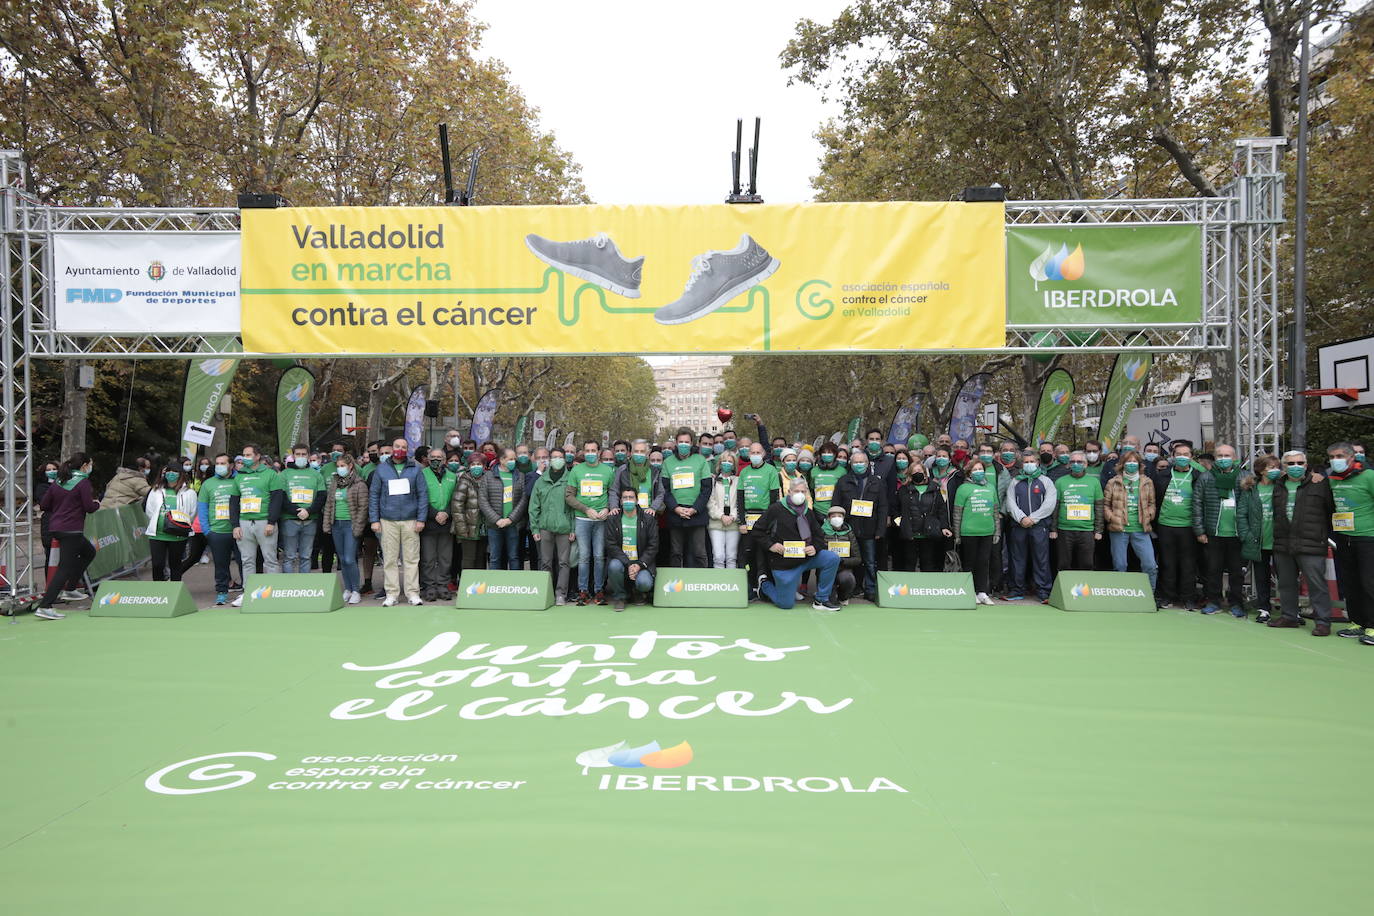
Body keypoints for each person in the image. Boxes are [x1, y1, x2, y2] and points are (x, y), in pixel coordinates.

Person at [1268, 450, 1334, 635]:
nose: (1295, 466)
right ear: (1283, 466)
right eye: (1290, 463)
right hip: (1283, 541)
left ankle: (1322, 621)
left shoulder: (1320, 484)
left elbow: (1331, 510)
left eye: (1299, 463)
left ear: (1306, 465)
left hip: (1311, 542)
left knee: (1317, 584)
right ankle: (1289, 617)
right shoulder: (1278, 485)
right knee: (1286, 583)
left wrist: (1324, 535)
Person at [757, 479, 841, 611]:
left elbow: (819, 535)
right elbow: (757, 530)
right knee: (785, 605)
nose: (800, 494)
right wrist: (771, 545)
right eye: (797, 491)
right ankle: (764, 584)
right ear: (789, 492)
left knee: (832, 558)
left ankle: (822, 599)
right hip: (784, 564)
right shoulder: (776, 509)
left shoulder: (808, 512)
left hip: (805, 559)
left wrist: (815, 547)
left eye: (803, 491)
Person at [34, 453, 101, 618]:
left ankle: (71, 589)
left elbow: (44, 504)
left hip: (57, 527)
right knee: (63, 568)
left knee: (89, 552)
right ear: (84, 465)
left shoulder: (59, 481)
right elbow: (88, 507)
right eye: (90, 464)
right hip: (72, 529)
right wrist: (96, 503)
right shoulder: (83, 482)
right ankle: (45, 605)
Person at [368, 437, 428, 606]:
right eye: (397, 446)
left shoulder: (415, 469)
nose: (400, 449)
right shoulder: (381, 469)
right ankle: (392, 594)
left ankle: (412, 593)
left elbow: (423, 495)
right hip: (387, 520)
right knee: (390, 559)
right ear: (391, 448)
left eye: (403, 447)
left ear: (407, 449)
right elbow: (374, 496)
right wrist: (374, 520)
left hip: (411, 520)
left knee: (411, 559)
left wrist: (421, 519)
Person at [1326, 441, 1374, 644]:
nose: (1335, 460)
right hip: (1344, 537)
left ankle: (1372, 626)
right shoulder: (1332, 479)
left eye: (1339, 456)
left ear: (1351, 457)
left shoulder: (1369, 476)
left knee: (1369, 582)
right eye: (1332, 457)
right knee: (1350, 582)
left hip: (1368, 537)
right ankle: (1357, 621)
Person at [1195, 443, 1249, 617]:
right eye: (1220, 456)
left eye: (1227, 456)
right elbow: (1197, 505)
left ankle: (1236, 603)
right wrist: (1200, 531)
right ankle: (1213, 601)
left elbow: (1253, 506)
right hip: (1213, 533)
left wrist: (1248, 531)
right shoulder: (1206, 477)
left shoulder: (1245, 477)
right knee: (1213, 571)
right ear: (1215, 458)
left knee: (1236, 572)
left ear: (1234, 458)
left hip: (1237, 533)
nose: (1223, 459)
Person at [229, 443, 284, 606]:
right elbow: (233, 502)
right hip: (244, 523)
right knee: (247, 560)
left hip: (264, 522)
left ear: (257, 456)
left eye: (248, 455)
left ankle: (274, 592)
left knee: (270, 559)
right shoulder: (239, 476)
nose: (245, 458)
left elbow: (277, 499)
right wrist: (235, 525)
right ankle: (248, 592)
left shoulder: (270, 474)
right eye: (243, 455)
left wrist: (271, 522)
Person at [565, 439, 616, 605]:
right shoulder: (576, 470)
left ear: (599, 452)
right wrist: (586, 509)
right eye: (587, 450)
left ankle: (599, 591)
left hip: (601, 520)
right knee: (584, 557)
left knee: (599, 556)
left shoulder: (607, 471)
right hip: (582, 520)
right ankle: (583, 591)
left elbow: (613, 493)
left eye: (593, 450)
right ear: (583, 452)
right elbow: (569, 496)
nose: (590, 453)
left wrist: (607, 508)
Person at [833, 447, 887, 600]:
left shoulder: (876, 482)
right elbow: (836, 504)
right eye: (855, 462)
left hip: (870, 528)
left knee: (870, 562)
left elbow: (883, 507)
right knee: (847, 561)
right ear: (851, 463)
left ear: (867, 463)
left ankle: (870, 590)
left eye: (861, 462)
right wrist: (837, 525)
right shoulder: (843, 481)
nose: (858, 464)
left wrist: (880, 530)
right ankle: (849, 589)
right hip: (848, 528)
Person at [1154, 443, 1203, 610]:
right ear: (1173, 457)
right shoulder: (1162, 475)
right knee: (1167, 563)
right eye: (1178, 454)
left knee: (1188, 564)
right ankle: (1167, 596)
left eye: (1186, 454)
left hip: (1189, 526)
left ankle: (1188, 597)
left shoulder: (1198, 476)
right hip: (1165, 525)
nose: (1182, 457)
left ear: (1191, 457)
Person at [1006, 449, 1057, 603]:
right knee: (1017, 559)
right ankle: (1016, 589)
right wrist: (1021, 518)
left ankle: (1043, 591)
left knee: (1041, 559)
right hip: (1019, 526)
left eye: (1032, 462)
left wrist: (1033, 518)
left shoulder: (1046, 481)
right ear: (1022, 464)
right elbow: (1010, 503)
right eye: (1026, 462)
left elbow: (1049, 504)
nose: (1029, 464)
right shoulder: (1015, 481)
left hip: (1039, 526)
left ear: (1038, 463)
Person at [1103, 453, 1159, 592]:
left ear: (1140, 464)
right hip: (1119, 529)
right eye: (1128, 461)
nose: (1132, 464)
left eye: (1135, 461)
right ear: (1122, 464)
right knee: (1120, 565)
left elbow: (1152, 503)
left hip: (1140, 529)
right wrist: (1112, 518)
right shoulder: (1113, 482)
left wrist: (1149, 515)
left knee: (1150, 565)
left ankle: (1150, 594)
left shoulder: (1147, 481)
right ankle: (1121, 593)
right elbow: (1105, 505)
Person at [530, 446, 575, 605]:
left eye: (559, 457)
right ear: (549, 460)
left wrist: (573, 528)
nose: (557, 460)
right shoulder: (541, 481)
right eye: (553, 457)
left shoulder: (570, 479)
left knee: (564, 562)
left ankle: (560, 594)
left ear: (564, 460)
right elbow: (534, 506)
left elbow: (574, 507)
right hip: (545, 528)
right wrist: (535, 528)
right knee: (546, 562)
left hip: (564, 528)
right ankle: (546, 592)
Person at [662, 427, 712, 568]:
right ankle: (676, 585)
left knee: (699, 552)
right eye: (681, 441)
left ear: (692, 443)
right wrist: (676, 508)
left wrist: (695, 509)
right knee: (676, 552)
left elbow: (706, 489)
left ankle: (701, 583)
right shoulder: (668, 462)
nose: (684, 444)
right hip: (675, 513)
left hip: (697, 513)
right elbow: (665, 490)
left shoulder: (701, 460)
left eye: (687, 442)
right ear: (676, 443)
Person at [736, 441, 781, 597]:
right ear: (748, 455)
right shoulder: (744, 472)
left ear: (763, 454)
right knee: (748, 553)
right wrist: (741, 522)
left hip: (765, 518)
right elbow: (740, 500)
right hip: (747, 519)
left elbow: (774, 500)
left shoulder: (771, 471)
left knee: (763, 553)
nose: (755, 455)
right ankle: (751, 586)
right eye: (752, 453)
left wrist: (768, 522)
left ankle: (764, 585)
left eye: (758, 453)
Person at [322, 454, 368, 604]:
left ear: (350, 466)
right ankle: (347, 589)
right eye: (338, 466)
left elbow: (363, 508)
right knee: (342, 559)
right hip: (337, 524)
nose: (340, 468)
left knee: (349, 558)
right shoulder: (335, 483)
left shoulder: (359, 484)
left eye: (343, 466)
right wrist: (327, 524)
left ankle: (356, 590)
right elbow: (329, 504)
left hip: (351, 525)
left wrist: (358, 527)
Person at [952, 459, 998, 604]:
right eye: (975, 470)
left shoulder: (991, 488)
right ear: (969, 472)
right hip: (969, 532)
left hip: (987, 531)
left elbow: (995, 511)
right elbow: (957, 513)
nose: (979, 472)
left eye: (981, 469)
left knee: (984, 562)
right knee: (969, 562)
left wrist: (997, 532)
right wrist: (957, 535)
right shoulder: (963, 489)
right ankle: (969, 591)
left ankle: (982, 592)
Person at [607, 486, 659, 611]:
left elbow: (653, 545)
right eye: (625, 498)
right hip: (622, 562)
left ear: (637, 500)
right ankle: (620, 597)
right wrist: (628, 563)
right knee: (613, 566)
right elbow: (611, 544)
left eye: (631, 497)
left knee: (645, 583)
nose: (628, 500)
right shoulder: (613, 519)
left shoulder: (648, 519)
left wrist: (639, 565)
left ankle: (638, 592)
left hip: (642, 563)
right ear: (620, 501)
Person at [1050, 451, 1104, 572]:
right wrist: (1053, 529)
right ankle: (1064, 590)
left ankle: (1086, 589)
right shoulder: (1060, 481)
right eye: (1073, 462)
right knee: (1063, 564)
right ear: (1068, 464)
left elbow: (1099, 507)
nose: (1076, 464)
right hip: (1064, 529)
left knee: (1087, 563)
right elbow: (1055, 507)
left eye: (1079, 461)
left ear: (1085, 464)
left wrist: (1099, 530)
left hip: (1087, 530)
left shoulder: (1094, 482)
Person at [144, 463, 196, 581]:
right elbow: (149, 510)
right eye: (169, 471)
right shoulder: (155, 490)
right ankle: (158, 591)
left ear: (181, 474)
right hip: (157, 534)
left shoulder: (189, 493)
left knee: (175, 565)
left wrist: (181, 525)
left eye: (175, 471)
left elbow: (192, 512)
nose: (171, 474)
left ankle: (174, 591)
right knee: (157, 565)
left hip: (178, 534)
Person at [897, 459, 951, 573]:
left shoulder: (935, 489)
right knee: (909, 563)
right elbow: (896, 508)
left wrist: (944, 527)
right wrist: (899, 522)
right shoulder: (904, 490)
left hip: (928, 533)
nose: (917, 473)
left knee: (928, 564)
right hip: (910, 532)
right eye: (914, 471)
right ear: (910, 474)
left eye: (919, 470)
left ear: (925, 473)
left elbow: (941, 510)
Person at [279, 443, 325, 574]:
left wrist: (308, 511)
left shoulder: (316, 475)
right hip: (290, 520)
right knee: (289, 556)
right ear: (293, 456)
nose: (301, 456)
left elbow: (321, 497)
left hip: (310, 520)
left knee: (306, 556)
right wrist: (297, 511)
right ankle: (288, 588)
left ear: (308, 456)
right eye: (298, 454)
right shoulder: (284, 474)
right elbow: (281, 497)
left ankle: (303, 587)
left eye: (303, 454)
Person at [480, 447, 528, 570]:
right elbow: (483, 500)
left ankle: (514, 585)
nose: (513, 461)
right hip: (494, 525)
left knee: (514, 556)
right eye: (510, 459)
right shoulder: (488, 476)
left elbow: (523, 499)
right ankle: (494, 585)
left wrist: (510, 519)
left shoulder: (520, 476)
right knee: (494, 557)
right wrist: (497, 520)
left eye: (514, 459)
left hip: (513, 524)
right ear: (501, 460)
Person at [418, 449, 457, 600]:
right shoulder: (421, 474)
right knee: (428, 557)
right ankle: (429, 586)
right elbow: (420, 497)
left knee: (445, 557)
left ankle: (442, 584)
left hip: (447, 522)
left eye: (439, 457)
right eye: (432, 457)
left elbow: (456, 498)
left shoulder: (452, 476)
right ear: (427, 459)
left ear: (445, 460)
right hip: (429, 521)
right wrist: (435, 514)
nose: (436, 460)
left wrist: (447, 512)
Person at [449, 455, 487, 587]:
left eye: (479, 464)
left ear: (484, 466)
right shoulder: (464, 481)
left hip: (483, 527)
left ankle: (480, 588)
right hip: (467, 527)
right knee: (468, 559)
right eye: (473, 464)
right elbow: (457, 506)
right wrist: (462, 528)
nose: (476, 467)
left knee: (481, 559)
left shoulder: (488, 479)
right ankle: (467, 587)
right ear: (469, 466)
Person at [707, 450, 741, 568]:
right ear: (720, 464)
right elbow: (710, 502)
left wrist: (732, 516)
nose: (727, 464)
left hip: (734, 523)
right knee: (718, 556)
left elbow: (741, 502)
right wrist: (721, 515)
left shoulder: (738, 481)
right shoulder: (713, 481)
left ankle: (731, 584)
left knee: (731, 557)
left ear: (734, 465)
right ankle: (719, 583)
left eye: (730, 461)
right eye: (724, 461)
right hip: (716, 523)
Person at [820, 505, 860, 604]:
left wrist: (842, 561)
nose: (836, 518)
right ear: (828, 518)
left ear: (843, 518)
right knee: (830, 600)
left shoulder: (849, 533)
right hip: (826, 569)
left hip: (843, 568)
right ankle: (829, 593)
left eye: (839, 516)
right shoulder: (822, 531)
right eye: (833, 516)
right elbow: (818, 554)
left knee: (848, 579)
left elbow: (857, 558)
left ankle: (843, 597)